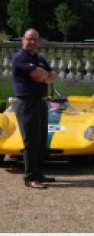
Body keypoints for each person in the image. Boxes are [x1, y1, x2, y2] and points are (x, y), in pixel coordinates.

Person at [12, 28, 58, 189]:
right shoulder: (19, 58)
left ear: (38, 42)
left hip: (41, 103)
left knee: (40, 141)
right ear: (22, 39)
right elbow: (41, 75)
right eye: (29, 39)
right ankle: (30, 178)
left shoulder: (39, 58)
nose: (32, 42)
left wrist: (43, 75)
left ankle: (38, 174)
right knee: (31, 142)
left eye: (35, 39)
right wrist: (44, 75)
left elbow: (53, 77)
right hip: (27, 104)